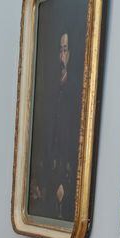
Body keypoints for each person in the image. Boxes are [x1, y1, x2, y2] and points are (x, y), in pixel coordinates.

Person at [28, 30, 81, 220]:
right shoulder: (54, 82)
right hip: (52, 159)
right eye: (60, 50)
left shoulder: (75, 84)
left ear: (71, 53)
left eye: (65, 50)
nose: (62, 55)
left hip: (67, 162)